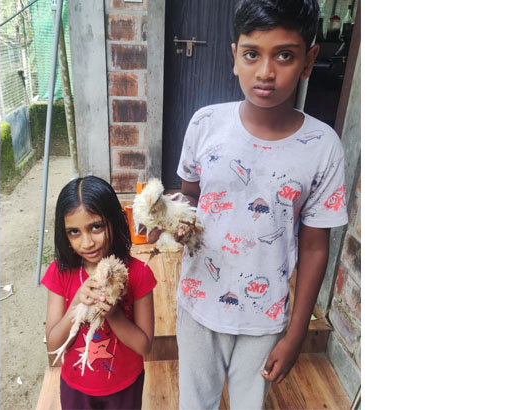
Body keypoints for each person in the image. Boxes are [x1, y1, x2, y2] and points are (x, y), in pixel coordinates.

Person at [169, 0, 349, 408]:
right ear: (235, 56)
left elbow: (315, 247)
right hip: (199, 301)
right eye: (252, 54)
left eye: (284, 55)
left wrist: (297, 332)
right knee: (195, 403)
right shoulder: (205, 124)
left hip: (265, 316)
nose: (266, 72)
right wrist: (175, 214)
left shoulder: (322, 147)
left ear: (308, 61)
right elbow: (190, 195)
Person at [43, 176, 157, 409]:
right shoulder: (60, 272)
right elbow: (53, 344)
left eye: (96, 227)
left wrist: (114, 315)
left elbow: (144, 346)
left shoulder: (139, 273)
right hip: (76, 388)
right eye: (74, 232)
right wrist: (76, 304)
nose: (87, 243)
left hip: (125, 387)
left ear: (115, 221)